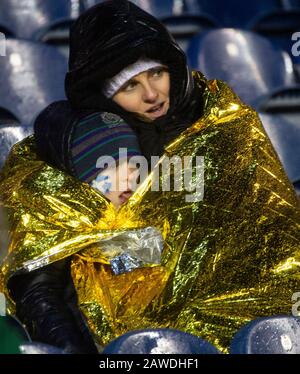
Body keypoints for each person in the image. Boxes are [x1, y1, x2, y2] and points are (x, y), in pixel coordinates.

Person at [0, 0, 300, 354]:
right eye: (130, 86)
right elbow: (46, 283)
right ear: (105, 98)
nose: (153, 94)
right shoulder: (87, 152)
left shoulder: (221, 128)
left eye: (156, 73)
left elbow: (271, 239)